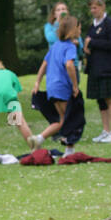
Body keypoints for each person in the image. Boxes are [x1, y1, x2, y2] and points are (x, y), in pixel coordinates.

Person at [32, 14, 80, 145]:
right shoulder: (70, 46)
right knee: (70, 118)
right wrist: (75, 86)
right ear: (72, 30)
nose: (80, 31)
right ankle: (68, 144)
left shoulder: (55, 46)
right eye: (79, 28)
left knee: (62, 119)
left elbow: (44, 65)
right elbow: (69, 65)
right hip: (62, 86)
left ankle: (38, 139)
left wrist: (37, 82)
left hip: (52, 87)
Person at [84, 0, 111, 142]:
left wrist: (92, 43)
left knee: (110, 98)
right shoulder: (92, 26)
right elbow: (87, 43)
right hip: (94, 68)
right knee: (100, 100)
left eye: (96, 7)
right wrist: (86, 48)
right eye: (91, 7)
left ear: (102, 6)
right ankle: (106, 131)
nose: (93, 10)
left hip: (107, 67)